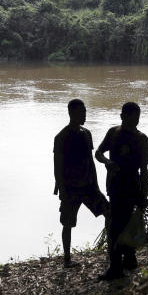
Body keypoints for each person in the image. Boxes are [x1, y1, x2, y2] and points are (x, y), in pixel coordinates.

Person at [95, 101, 148, 280]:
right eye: (133, 117)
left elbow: (144, 170)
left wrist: (144, 193)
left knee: (119, 225)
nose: (137, 121)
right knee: (118, 224)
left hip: (132, 186)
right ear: (122, 117)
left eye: (138, 117)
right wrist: (107, 162)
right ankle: (126, 261)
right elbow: (98, 153)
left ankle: (118, 267)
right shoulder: (113, 133)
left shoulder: (142, 139)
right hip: (115, 185)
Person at [53, 99, 110, 268]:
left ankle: (110, 248)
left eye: (85, 112)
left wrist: (97, 185)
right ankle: (67, 259)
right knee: (68, 224)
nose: (84, 115)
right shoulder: (61, 137)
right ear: (71, 113)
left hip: (88, 186)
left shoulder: (87, 133)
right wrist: (62, 189)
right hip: (70, 188)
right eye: (81, 112)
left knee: (109, 212)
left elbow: (90, 162)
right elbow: (58, 166)